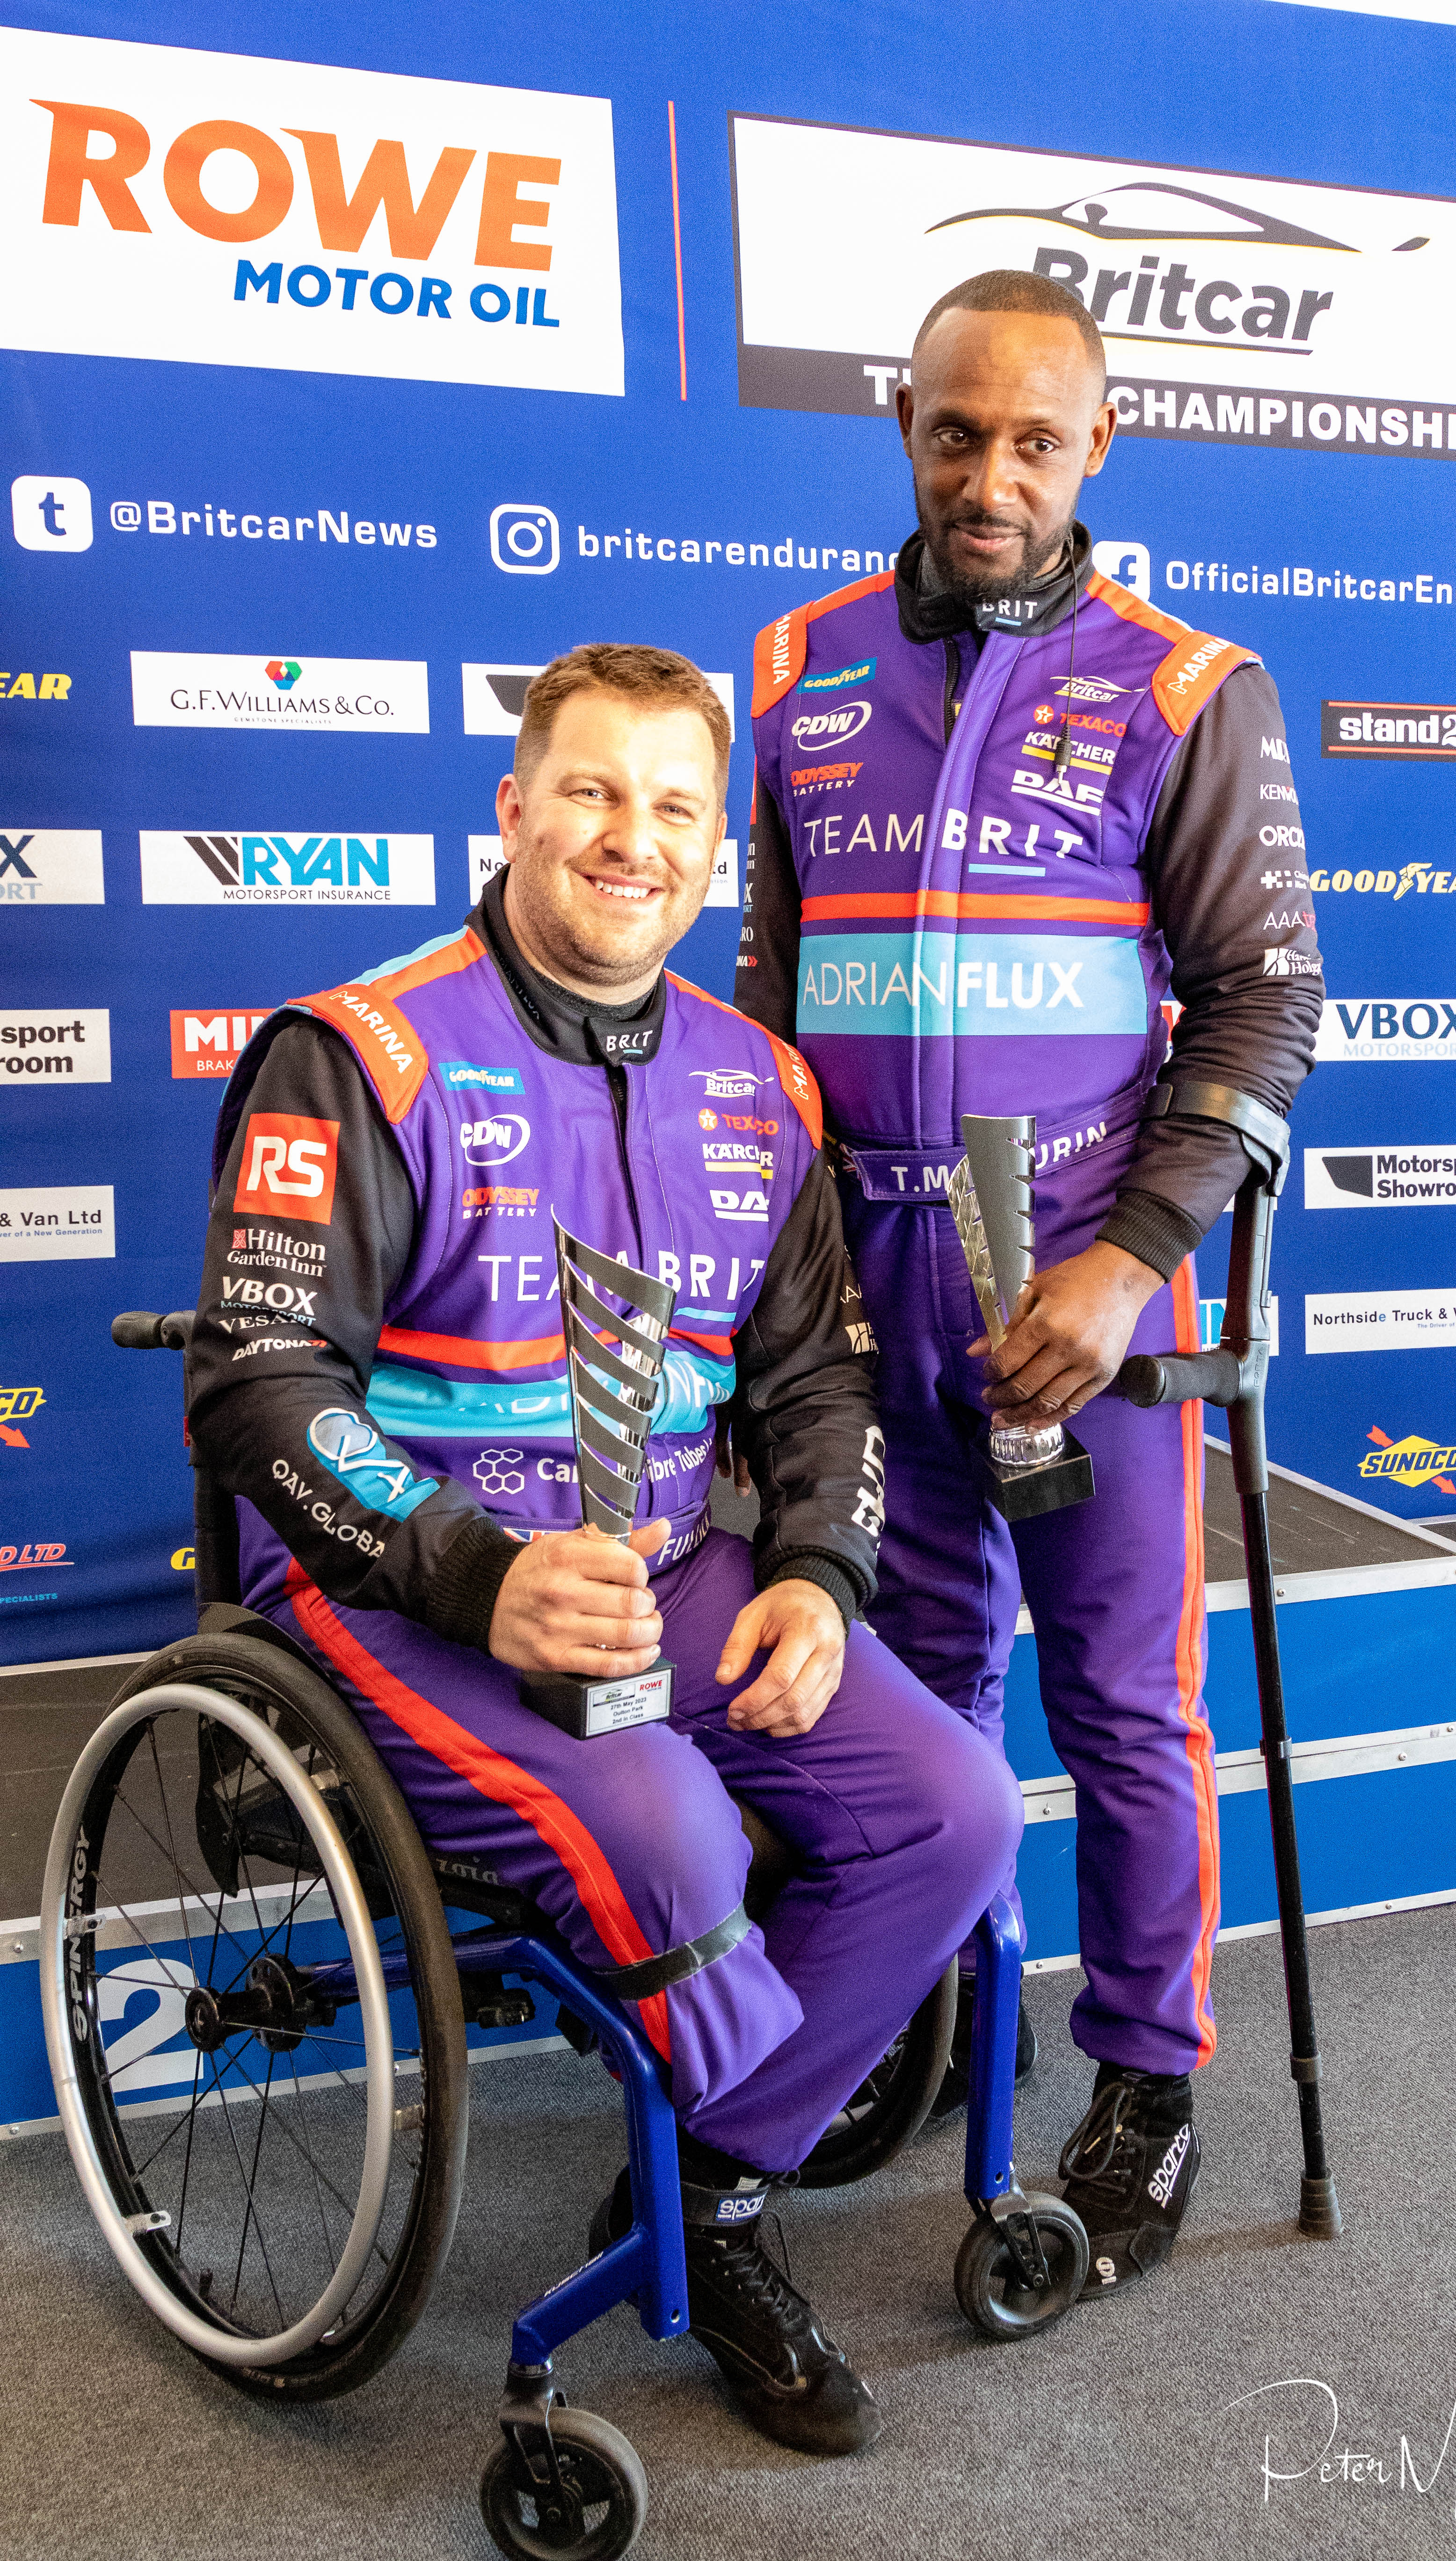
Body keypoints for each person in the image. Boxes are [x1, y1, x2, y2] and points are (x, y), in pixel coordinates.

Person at [186, 643, 1022, 2454]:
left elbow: (817, 1387)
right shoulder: (359, 1052)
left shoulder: (763, 1084)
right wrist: (480, 1573)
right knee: (667, 1826)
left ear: (715, 848)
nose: (627, 839)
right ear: (512, 806)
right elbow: (256, 1392)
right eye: (589, 791)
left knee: (959, 1809)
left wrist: (819, 1575)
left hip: (663, 1560)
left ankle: (706, 2193)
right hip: (393, 1590)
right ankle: (715, 2154)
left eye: (672, 808)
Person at [734, 271, 1323, 2292]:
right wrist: (767, 1258)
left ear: (1098, 447)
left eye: (1036, 440)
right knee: (909, 1675)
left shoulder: (1181, 684)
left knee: (1124, 1706)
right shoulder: (798, 667)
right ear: (904, 419)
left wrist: (1127, 1262)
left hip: (1078, 1292)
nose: (992, 475)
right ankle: (915, 2002)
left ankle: (1148, 2079)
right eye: (956, 431)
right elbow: (767, 994)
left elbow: (1263, 1012)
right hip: (866, 1272)